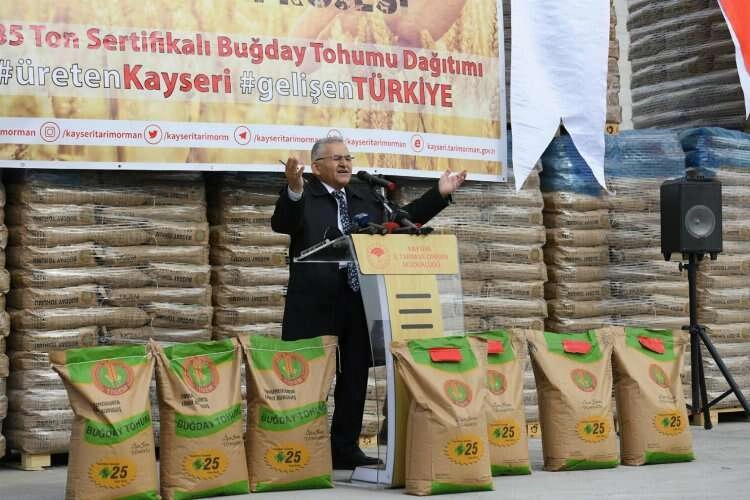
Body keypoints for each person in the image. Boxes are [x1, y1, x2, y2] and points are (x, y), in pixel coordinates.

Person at [271, 136, 466, 469]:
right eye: (336, 158)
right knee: (306, 377)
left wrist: (439, 193)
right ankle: (299, 449)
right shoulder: (305, 193)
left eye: (348, 158)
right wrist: (294, 188)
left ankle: (344, 448)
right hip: (315, 299)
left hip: (358, 296)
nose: (345, 163)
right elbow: (283, 223)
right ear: (316, 166)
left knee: (354, 376)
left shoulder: (365, 194)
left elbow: (401, 220)